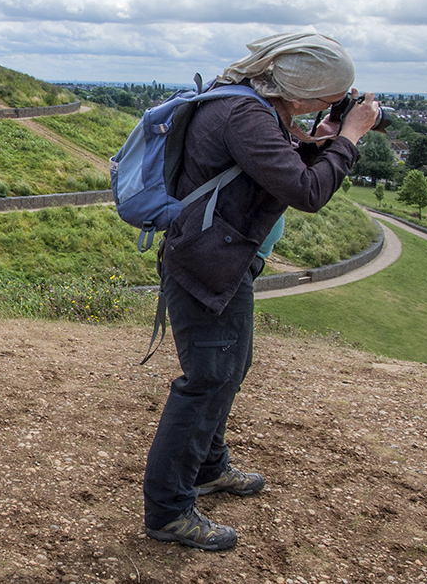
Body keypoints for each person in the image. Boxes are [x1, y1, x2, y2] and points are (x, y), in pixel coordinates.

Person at [142, 32, 380, 551]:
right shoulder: (244, 116)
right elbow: (308, 191)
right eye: (326, 95)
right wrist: (352, 137)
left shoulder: (248, 107)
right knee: (205, 380)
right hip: (207, 264)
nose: (326, 104)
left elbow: (278, 165)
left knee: (232, 366)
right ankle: (168, 510)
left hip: (224, 258)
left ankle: (208, 466)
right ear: (301, 86)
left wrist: (322, 139)